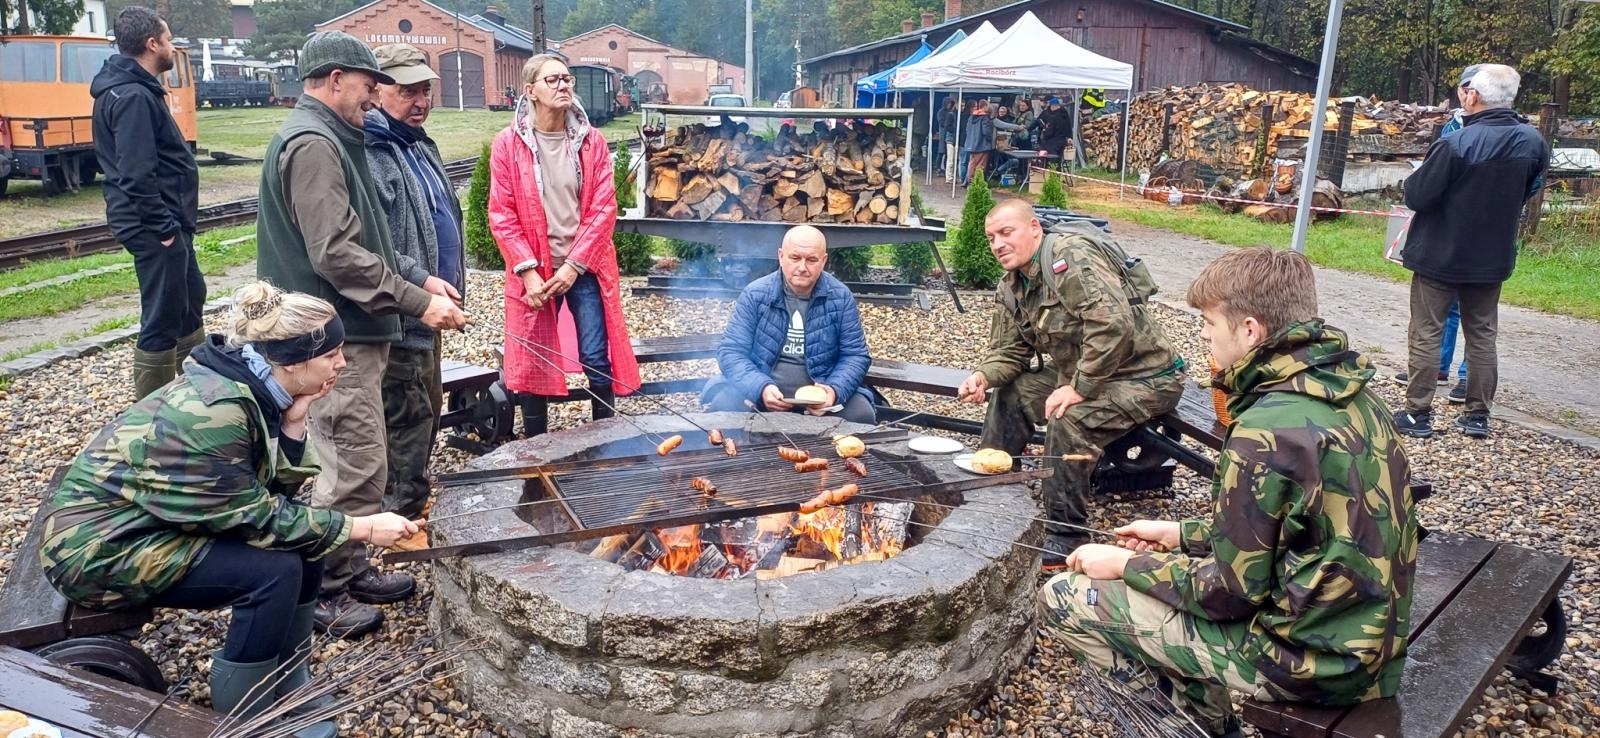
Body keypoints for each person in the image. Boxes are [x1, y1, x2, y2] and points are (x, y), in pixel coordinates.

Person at [1042, 247, 1418, 738]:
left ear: (1250, 330)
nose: (1202, 334)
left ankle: (1194, 730)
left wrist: (1125, 565)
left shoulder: (1265, 430)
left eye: (1208, 322)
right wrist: (1179, 534)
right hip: (1369, 642)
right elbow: (1296, 531)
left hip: (1312, 663)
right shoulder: (1352, 394)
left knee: (1067, 596)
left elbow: (1230, 595)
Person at [40, 282, 422, 737]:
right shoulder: (218, 411)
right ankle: (249, 710)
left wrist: (295, 423)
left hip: (153, 524)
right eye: (332, 355)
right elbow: (257, 518)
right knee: (273, 573)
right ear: (292, 361)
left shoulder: (253, 386)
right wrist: (360, 527)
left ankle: (289, 682)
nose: (341, 364)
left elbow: (270, 497)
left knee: (306, 549)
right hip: (96, 550)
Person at [255, 31, 467, 638]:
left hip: (354, 332)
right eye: (369, 85)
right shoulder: (314, 143)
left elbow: (367, 239)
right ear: (335, 78)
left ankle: (347, 568)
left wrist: (421, 278)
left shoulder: (332, 138)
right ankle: (322, 591)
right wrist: (414, 301)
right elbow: (339, 256)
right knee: (348, 463)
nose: (374, 98)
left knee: (363, 458)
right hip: (330, 337)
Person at [958, 199, 1184, 564]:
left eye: (1006, 232)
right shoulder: (1012, 286)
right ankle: (992, 491)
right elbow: (1010, 352)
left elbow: (1113, 325)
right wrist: (983, 376)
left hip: (1145, 376)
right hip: (1085, 373)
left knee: (1067, 418)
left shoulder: (1070, 257)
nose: (997, 244)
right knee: (1012, 393)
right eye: (990, 238)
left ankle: (1066, 534)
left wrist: (1078, 388)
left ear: (1034, 228)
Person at [489, 54, 640, 437]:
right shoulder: (508, 145)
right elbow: (501, 213)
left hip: (585, 266)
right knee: (533, 357)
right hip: (534, 269)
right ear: (531, 91)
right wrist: (526, 271)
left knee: (595, 352)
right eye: (553, 80)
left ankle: (604, 439)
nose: (563, 86)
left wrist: (574, 266)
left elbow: (604, 208)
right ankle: (536, 443)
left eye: (567, 78)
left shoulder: (591, 142)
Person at [1395, 63, 1545, 439]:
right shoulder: (1533, 141)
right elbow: (1531, 187)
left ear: (1473, 96)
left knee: (1427, 331)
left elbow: (1418, 195)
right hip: (1491, 255)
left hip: (1439, 253)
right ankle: (1477, 416)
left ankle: (1418, 413)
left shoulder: (1455, 142)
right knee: (1482, 334)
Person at [364, 44, 466, 527]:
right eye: (407, 90)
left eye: (425, 88)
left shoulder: (419, 141)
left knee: (428, 403)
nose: (420, 99)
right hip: (402, 309)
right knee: (406, 413)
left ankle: (411, 501)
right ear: (377, 89)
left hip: (432, 305)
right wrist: (422, 287)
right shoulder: (373, 149)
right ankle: (398, 514)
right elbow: (376, 242)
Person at [92, 6, 203, 401]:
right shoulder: (133, 96)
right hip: (155, 226)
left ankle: (198, 393)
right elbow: (136, 174)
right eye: (169, 38)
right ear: (152, 43)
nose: (173, 46)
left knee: (191, 299)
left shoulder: (135, 90)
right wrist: (164, 230)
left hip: (167, 223)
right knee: (163, 314)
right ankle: (151, 417)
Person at [700, 226, 875, 424]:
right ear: (781, 256)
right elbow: (731, 352)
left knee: (862, 415)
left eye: (811, 260)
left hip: (821, 391)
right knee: (723, 405)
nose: (802, 267)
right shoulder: (755, 294)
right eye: (795, 258)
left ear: (824, 261)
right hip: (763, 390)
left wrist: (833, 391)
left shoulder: (841, 297)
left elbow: (855, 355)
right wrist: (761, 388)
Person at [1033, 96, 1075, 167]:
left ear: (1052, 106)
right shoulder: (1065, 114)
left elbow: (1050, 131)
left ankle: (1052, 174)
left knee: (1051, 162)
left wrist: (1045, 131)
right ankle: (1058, 173)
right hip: (1063, 141)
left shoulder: (1053, 117)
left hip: (1052, 143)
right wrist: (1070, 137)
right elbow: (1069, 126)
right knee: (1059, 160)